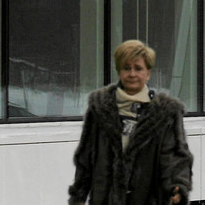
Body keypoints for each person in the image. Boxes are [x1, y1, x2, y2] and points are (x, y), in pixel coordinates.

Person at [69, 40, 192, 205]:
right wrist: (79, 196)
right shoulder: (99, 109)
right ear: (119, 71)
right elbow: (86, 159)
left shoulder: (166, 113)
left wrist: (177, 185)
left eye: (138, 68)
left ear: (148, 73)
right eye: (126, 68)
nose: (132, 74)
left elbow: (175, 156)